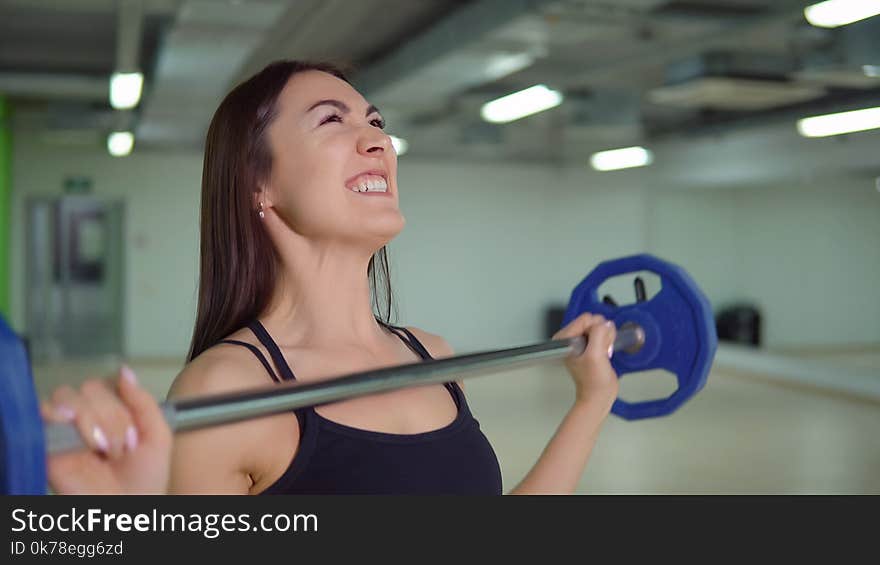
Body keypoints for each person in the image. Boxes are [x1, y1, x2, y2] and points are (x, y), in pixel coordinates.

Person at [41, 61, 619, 495]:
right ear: (258, 185)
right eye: (332, 121)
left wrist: (591, 401)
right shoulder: (227, 391)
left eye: (375, 122)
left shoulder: (433, 358)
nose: (377, 141)